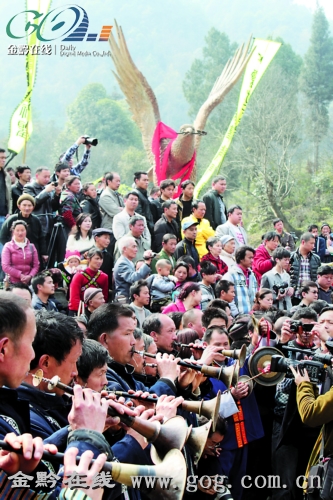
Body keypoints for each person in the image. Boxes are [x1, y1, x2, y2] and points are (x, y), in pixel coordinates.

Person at [201, 325, 264, 500]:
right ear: (205, 345)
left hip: (243, 439)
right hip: (221, 443)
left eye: (226, 344)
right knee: (220, 491)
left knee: (240, 488)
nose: (223, 348)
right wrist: (232, 397)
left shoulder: (237, 362)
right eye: (217, 344)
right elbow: (203, 408)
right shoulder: (201, 372)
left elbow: (260, 361)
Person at [271, 308, 320, 500]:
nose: (306, 331)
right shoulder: (285, 347)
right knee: (284, 482)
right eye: (302, 326)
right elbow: (277, 383)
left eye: (311, 327)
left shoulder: (323, 351)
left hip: (312, 423)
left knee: (311, 480)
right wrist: (283, 341)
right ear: (294, 327)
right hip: (284, 419)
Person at [88, 303, 178, 396]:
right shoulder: (100, 374)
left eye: (133, 333)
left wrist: (182, 385)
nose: (134, 341)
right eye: (127, 334)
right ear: (105, 339)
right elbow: (143, 406)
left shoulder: (123, 369)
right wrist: (167, 378)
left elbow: (146, 394)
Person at [0, 193, 47, 264]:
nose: (27, 208)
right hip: (15, 254)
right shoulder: (12, 219)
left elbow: (41, 237)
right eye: (24, 205)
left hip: (32, 253)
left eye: (29, 205)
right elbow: (3, 236)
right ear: (19, 206)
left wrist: (44, 253)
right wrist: (10, 248)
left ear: (33, 207)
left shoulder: (36, 220)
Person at [24, 166, 61, 240]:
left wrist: (57, 195)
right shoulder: (29, 187)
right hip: (36, 225)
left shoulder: (48, 188)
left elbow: (54, 208)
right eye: (45, 177)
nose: (47, 179)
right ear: (37, 176)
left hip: (49, 226)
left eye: (48, 177)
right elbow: (33, 204)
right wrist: (46, 191)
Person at [69, 248, 108, 314]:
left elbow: (104, 298)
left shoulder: (104, 276)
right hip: (79, 311)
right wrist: (87, 311)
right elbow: (74, 299)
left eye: (101, 259)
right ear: (88, 259)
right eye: (97, 258)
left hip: (96, 312)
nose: (99, 261)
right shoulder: (79, 276)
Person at [113, 236, 153, 302]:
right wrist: (146, 263)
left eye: (136, 247)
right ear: (125, 249)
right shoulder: (122, 263)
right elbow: (133, 279)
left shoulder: (129, 262)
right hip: (125, 301)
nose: (136, 249)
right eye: (133, 246)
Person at [2, 220, 39, 285]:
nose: (20, 233)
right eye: (17, 230)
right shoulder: (8, 246)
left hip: (28, 282)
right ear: (13, 232)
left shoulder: (32, 246)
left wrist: (29, 276)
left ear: (26, 231)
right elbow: (5, 266)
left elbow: (36, 265)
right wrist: (20, 275)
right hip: (13, 282)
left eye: (22, 230)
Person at [223, 245, 258, 315]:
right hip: (238, 318)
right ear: (241, 259)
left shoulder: (251, 274)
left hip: (252, 316)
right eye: (250, 258)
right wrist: (236, 314)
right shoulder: (230, 275)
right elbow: (227, 298)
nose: (252, 260)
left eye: (253, 258)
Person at [290, 232, 321, 304]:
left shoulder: (316, 258)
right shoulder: (291, 257)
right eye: (311, 243)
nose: (313, 246)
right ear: (303, 242)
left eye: (314, 243)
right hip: (295, 295)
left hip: (311, 296)